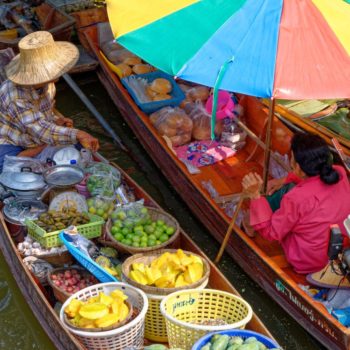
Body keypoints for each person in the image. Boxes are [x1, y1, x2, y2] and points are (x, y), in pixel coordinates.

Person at [242, 133, 350, 274]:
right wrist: (282, 180)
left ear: (298, 167)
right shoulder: (339, 172)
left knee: (262, 213)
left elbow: (271, 233)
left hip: (308, 262)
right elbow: (311, 179)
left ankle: (248, 224)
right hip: (339, 250)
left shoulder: (296, 198)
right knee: (288, 190)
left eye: (292, 158)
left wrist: (255, 196)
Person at [0, 31, 99, 172]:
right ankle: (42, 147)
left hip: (35, 134)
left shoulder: (47, 84)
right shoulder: (15, 96)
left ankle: (43, 147)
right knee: (5, 165)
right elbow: (39, 130)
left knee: (76, 149)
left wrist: (57, 120)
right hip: (12, 139)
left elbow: (46, 112)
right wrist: (78, 134)